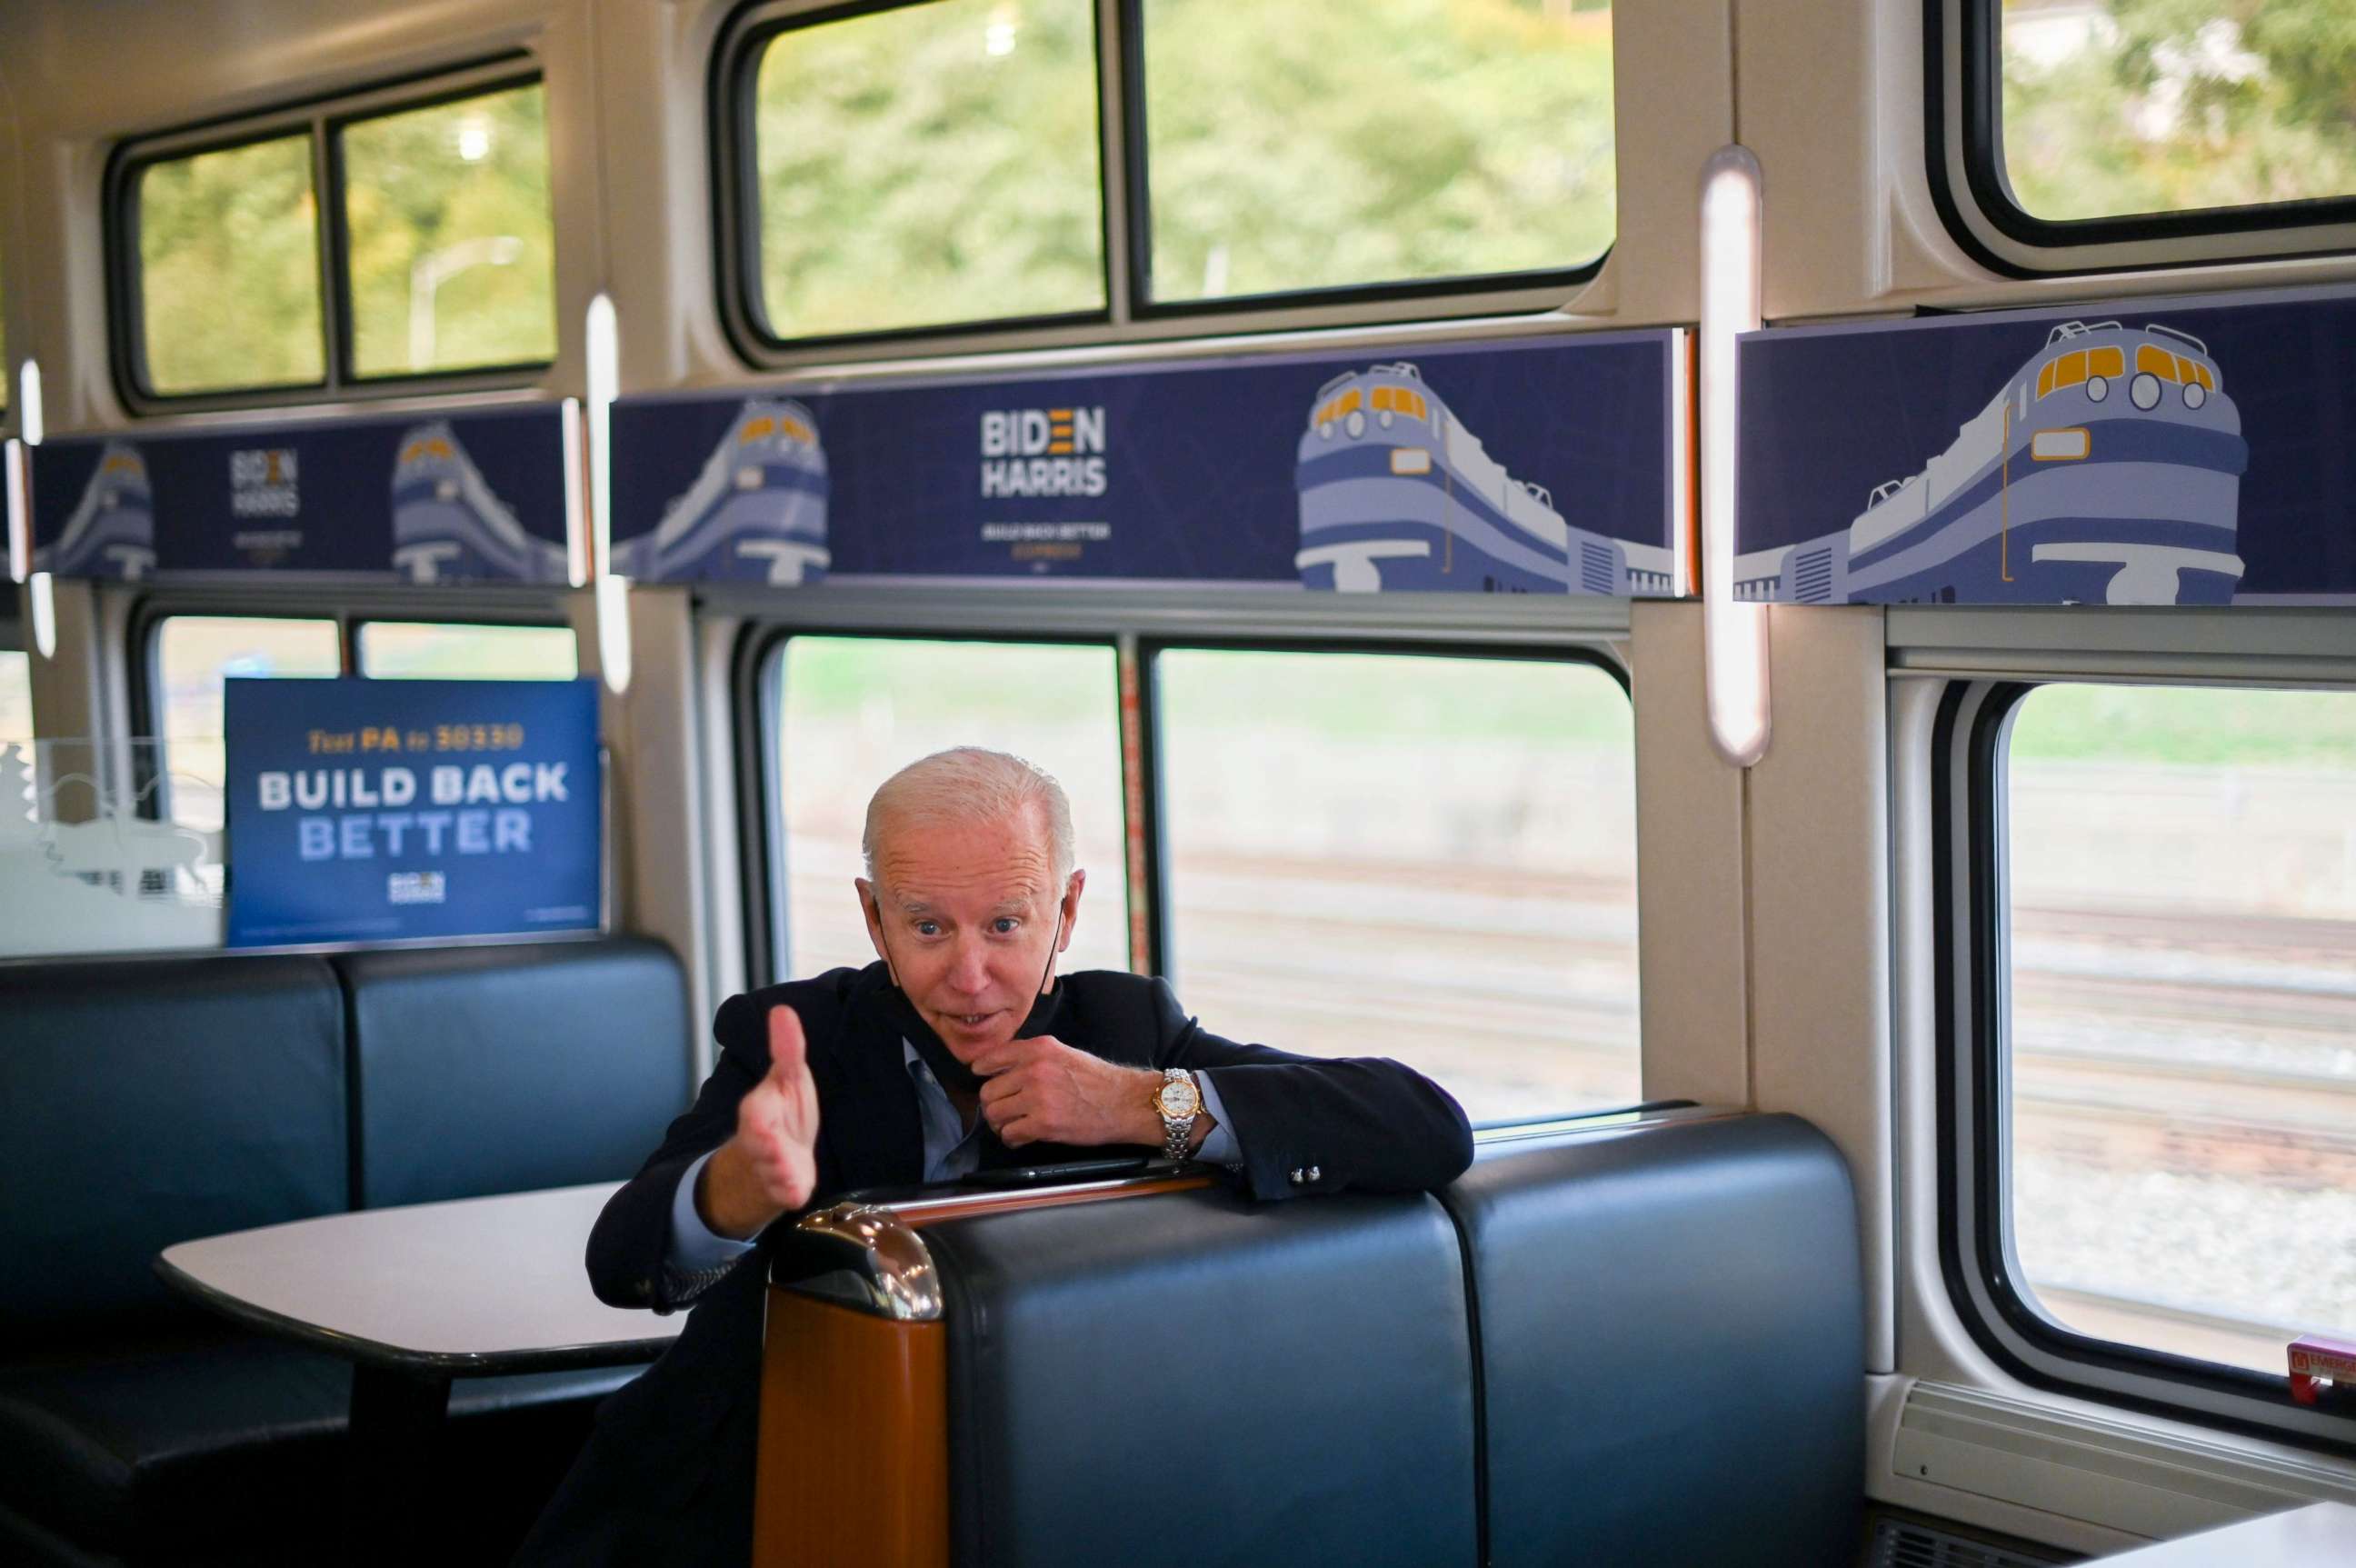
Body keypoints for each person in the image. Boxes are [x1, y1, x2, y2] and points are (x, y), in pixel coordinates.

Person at [515, 747, 1473, 1566]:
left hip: (1051, 1495)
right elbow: (622, 1260)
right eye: (928, 926)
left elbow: (1424, 1123)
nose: (969, 976)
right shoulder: (800, 1035)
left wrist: (1145, 1104)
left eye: (1006, 926)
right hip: (741, 1505)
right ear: (874, 919)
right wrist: (736, 1190)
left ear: (1065, 912)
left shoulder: (1126, 1027)